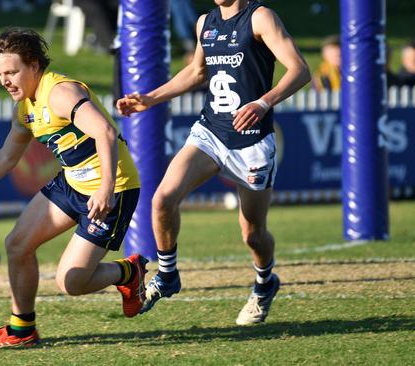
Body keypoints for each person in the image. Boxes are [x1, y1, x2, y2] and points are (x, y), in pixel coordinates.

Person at [0, 28, 146, 349]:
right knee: (17, 244)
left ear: (34, 65)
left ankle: (128, 273)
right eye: (0, 73)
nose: (4, 80)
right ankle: (22, 331)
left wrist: (105, 190)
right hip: (72, 182)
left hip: (113, 188)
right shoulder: (25, 109)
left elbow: (104, 131)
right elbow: (5, 158)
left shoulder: (60, 93)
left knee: (70, 282)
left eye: (11, 71)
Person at [116, 0, 310, 325]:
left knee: (252, 234)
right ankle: (167, 276)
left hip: (252, 140)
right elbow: (197, 72)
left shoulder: (261, 17)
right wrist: (150, 98)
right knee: (162, 199)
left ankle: (265, 283)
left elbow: (300, 69)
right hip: (211, 131)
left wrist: (263, 103)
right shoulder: (205, 21)